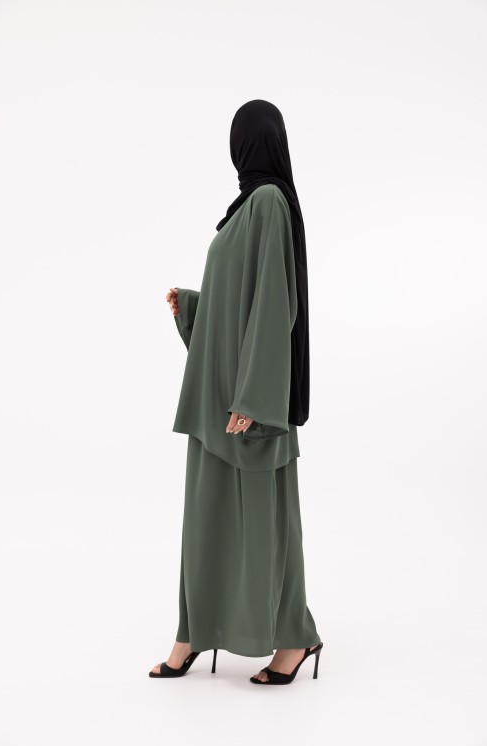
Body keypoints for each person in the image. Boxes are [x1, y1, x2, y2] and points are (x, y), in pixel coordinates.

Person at [149, 99, 323, 685]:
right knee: (206, 520)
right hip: (217, 400)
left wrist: (254, 399)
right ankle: (192, 632)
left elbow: (274, 304)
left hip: (248, 404)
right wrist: (194, 306)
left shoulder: (269, 202)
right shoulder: (244, 209)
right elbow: (239, 299)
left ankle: (293, 639)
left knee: (269, 524)